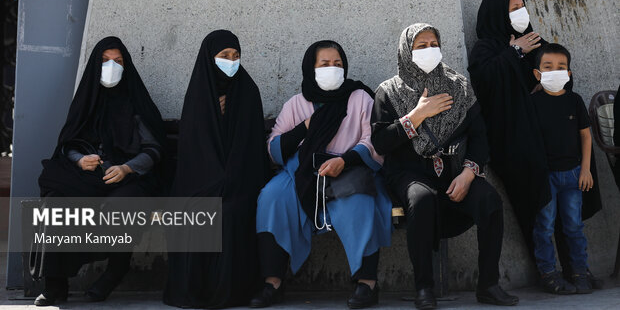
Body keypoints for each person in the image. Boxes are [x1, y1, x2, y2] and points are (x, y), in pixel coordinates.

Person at [371, 24, 518, 309]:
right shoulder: (388, 92)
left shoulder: (460, 86)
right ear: (406, 50)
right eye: (420, 45)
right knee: (421, 199)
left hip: (455, 172)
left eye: (433, 43)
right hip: (409, 173)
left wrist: (468, 173)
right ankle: (424, 288)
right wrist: (417, 115)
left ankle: (489, 284)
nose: (429, 50)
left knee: (489, 201)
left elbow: (479, 137)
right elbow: (380, 142)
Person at [467, 0, 601, 282]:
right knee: (537, 210)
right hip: (516, 144)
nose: (520, 13)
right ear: (497, 12)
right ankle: (548, 272)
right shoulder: (487, 47)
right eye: (513, 8)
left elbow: (560, 70)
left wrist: (549, 82)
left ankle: (576, 268)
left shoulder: (535, 41)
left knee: (568, 215)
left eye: (522, 6)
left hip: (556, 146)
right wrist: (515, 51)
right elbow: (485, 81)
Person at [251, 40, 392, 309]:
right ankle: (273, 283)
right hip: (301, 172)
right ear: (310, 68)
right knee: (271, 198)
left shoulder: (359, 99)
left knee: (359, 202)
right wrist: (306, 126)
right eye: (324, 64)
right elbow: (273, 148)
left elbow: (373, 141)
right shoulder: (297, 104)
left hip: (349, 169)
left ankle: (366, 284)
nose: (332, 69)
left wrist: (344, 160)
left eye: (337, 64)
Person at [35, 36, 166, 306]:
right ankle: (55, 286)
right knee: (55, 203)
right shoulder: (87, 103)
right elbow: (68, 144)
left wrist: (128, 168)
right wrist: (80, 160)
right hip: (87, 176)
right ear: (95, 65)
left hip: (126, 180)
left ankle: (115, 271)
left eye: (118, 62)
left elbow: (154, 149)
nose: (111, 67)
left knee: (124, 204)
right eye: (105, 61)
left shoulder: (135, 105)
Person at [163, 30, 270, 308]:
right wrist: (216, 116)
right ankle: (195, 292)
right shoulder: (200, 94)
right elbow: (193, 153)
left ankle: (231, 292)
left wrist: (229, 114)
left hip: (241, 181)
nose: (231, 62)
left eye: (236, 56)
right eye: (224, 56)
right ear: (210, 59)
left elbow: (250, 150)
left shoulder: (248, 91)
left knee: (230, 211)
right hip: (199, 181)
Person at [531, 43, 595, 294]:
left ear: (568, 73)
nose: (555, 71)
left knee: (574, 227)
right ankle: (548, 273)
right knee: (545, 227)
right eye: (548, 67)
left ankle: (580, 272)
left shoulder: (575, 101)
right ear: (538, 73)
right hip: (545, 177)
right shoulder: (532, 102)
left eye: (561, 67)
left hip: (573, 175)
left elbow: (586, 137)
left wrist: (586, 169)